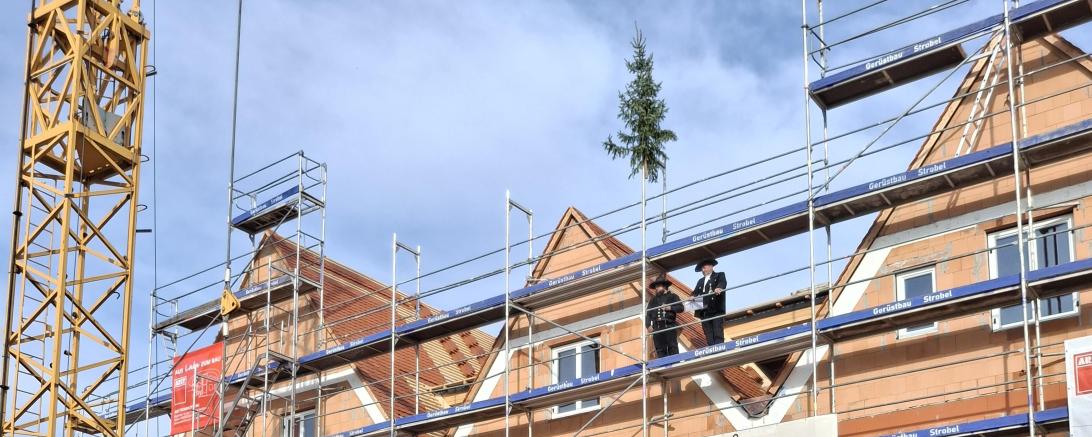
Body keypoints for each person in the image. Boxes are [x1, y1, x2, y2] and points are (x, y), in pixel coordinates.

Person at [646, 274, 683, 358]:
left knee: (672, 347)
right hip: (657, 327)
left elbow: (681, 308)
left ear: (664, 286)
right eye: (656, 286)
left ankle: (675, 365)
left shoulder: (673, 296)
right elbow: (648, 314)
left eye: (658, 286)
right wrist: (648, 325)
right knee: (660, 350)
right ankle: (664, 368)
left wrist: (670, 307)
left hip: (669, 325)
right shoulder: (653, 300)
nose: (656, 288)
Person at [693, 258, 726, 345]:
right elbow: (695, 292)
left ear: (711, 266)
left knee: (717, 329)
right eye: (702, 268)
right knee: (708, 332)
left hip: (716, 308)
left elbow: (722, 283)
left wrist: (719, 287)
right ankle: (711, 349)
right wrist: (692, 296)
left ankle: (719, 348)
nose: (703, 270)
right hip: (704, 311)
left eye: (705, 267)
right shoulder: (700, 281)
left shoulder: (719, 275)